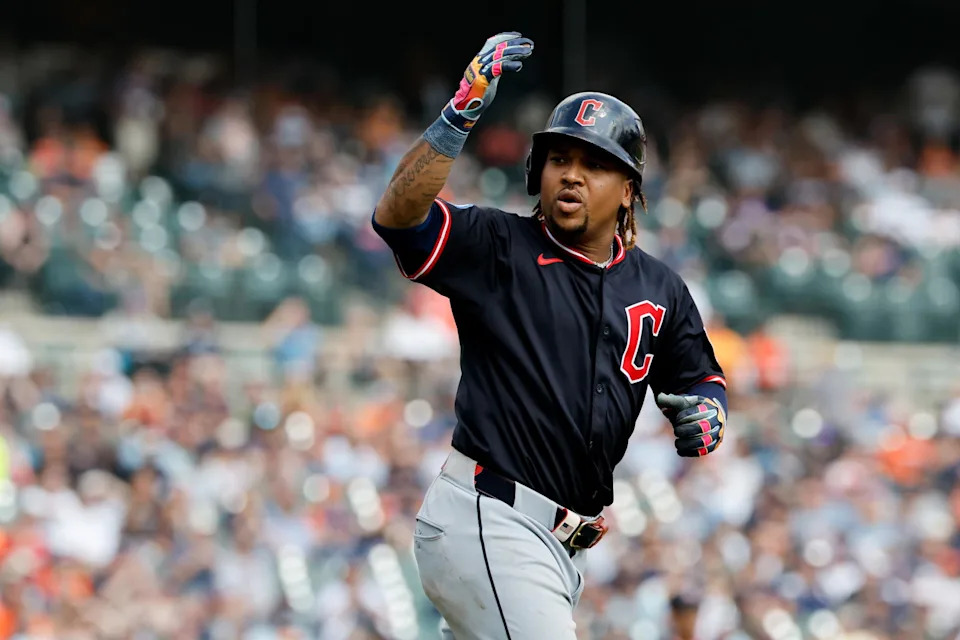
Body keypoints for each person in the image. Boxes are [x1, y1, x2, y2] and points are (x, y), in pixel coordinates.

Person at [371, 31, 728, 639]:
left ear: (630, 191)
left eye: (595, 164)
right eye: (561, 159)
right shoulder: (499, 247)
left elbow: (699, 376)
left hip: (564, 549)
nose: (572, 175)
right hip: (490, 519)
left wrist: (709, 412)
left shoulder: (659, 287)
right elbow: (398, 217)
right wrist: (458, 116)